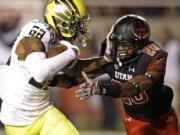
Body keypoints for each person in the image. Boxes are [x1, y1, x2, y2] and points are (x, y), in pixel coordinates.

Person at [75, 14, 180, 135]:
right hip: (135, 119)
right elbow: (83, 71)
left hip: (161, 117)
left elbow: (136, 86)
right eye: (117, 43)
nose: (118, 48)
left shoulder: (153, 55)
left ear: (138, 44)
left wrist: (102, 89)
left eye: (124, 44)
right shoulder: (110, 54)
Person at [0, 0, 90, 135]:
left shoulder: (51, 35)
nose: (79, 28)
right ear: (62, 20)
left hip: (42, 110)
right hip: (18, 117)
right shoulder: (39, 33)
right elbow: (40, 73)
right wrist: (72, 53)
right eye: (75, 23)